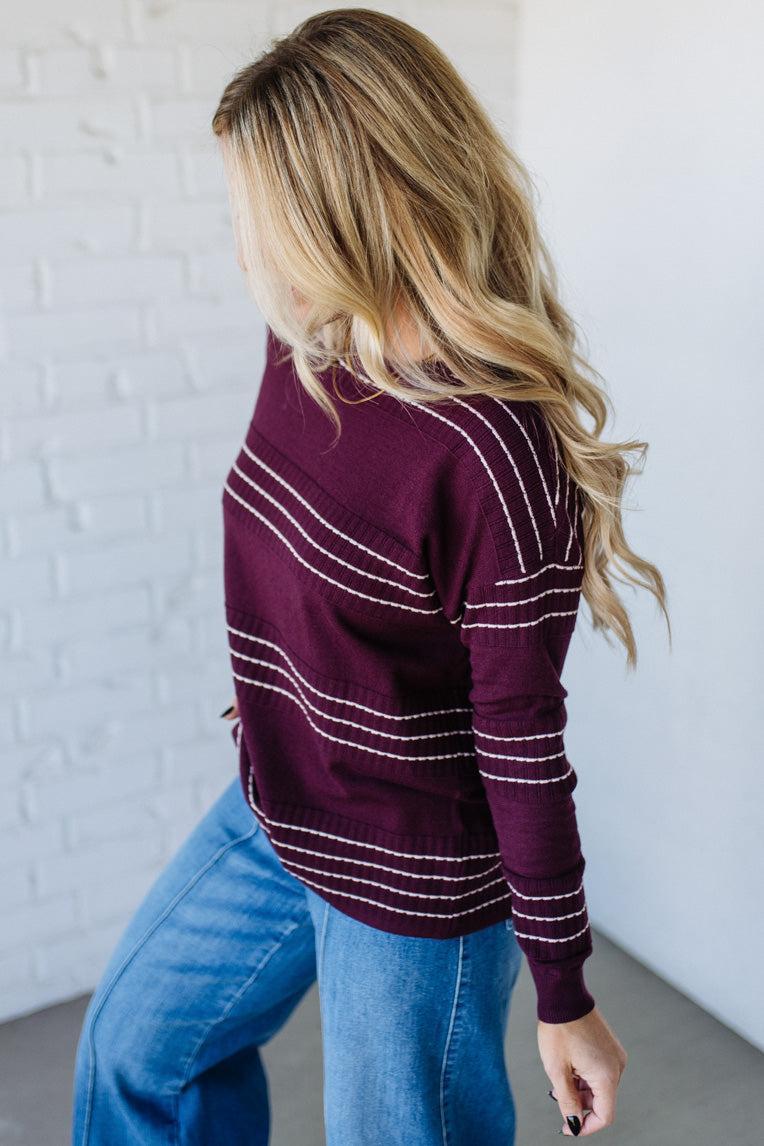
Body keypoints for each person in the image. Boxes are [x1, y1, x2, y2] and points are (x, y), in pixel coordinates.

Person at [71, 8, 669, 1144]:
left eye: (254, 216)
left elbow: (520, 738)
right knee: (136, 1055)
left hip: (413, 880)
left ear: (337, 213)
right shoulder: (308, 343)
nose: (242, 247)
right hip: (277, 801)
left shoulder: (489, 450)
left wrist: (562, 993)